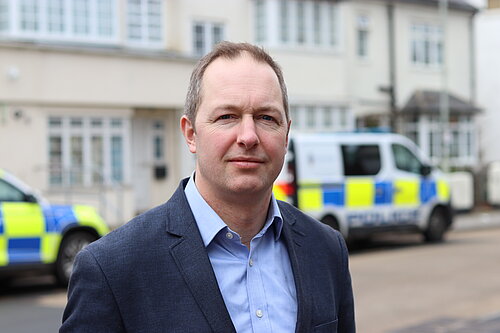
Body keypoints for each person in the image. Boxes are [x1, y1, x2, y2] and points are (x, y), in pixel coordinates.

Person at [60, 42, 355, 333]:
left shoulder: (327, 250)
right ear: (191, 134)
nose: (249, 136)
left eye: (267, 118)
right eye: (227, 116)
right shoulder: (111, 268)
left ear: (286, 133)